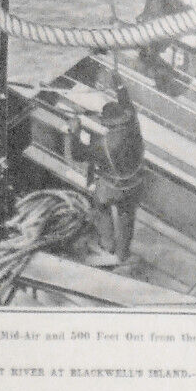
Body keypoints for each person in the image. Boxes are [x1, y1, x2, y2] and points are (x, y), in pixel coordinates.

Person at [67, 81, 146, 265]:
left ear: (106, 123)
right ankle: (123, 253)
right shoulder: (134, 129)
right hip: (133, 186)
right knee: (127, 216)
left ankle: (107, 245)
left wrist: (74, 132)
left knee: (101, 207)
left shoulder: (102, 144)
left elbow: (78, 154)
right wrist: (120, 88)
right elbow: (129, 107)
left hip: (111, 189)